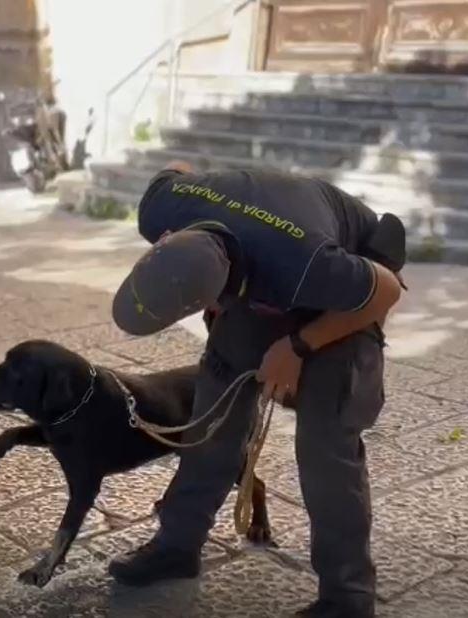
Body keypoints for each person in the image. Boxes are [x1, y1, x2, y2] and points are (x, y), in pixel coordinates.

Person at [108, 161, 406, 618]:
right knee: (211, 423)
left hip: (347, 299)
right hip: (261, 271)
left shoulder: (310, 263)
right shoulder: (161, 206)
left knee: (325, 450)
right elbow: (179, 168)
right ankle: (176, 548)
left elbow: (385, 291)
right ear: (165, 237)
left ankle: (348, 597)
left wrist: (299, 346)